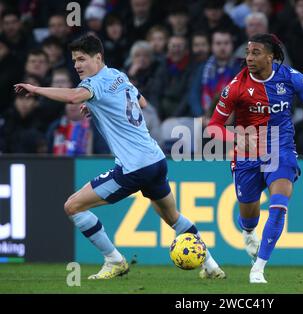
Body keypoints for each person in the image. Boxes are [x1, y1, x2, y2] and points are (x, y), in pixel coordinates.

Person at [14, 34, 225, 280]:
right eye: (74, 61)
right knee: (173, 217)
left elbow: (72, 97)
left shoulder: (95, 83)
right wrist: (98, 106)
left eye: (82, 59)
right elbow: (142, 102)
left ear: (98, 57)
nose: (77, 65)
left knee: (72, 206)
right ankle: (211, 265)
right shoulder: (119, 75)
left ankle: (114, 261)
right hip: (156, 161)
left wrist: (35, 88)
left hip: (133, 167)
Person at [206, 33, 303, 283]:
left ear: (271, 56)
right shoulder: (236, 86)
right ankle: (248, 231)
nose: (249, 58)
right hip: (246, 154)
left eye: (255, 53)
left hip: (281, 149)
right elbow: (213, 127)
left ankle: (258, 269)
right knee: (249, 216)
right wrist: (236, 139)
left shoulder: (292, 78)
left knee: (279, 203)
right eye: (247, 52)